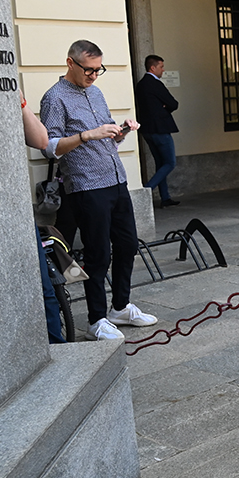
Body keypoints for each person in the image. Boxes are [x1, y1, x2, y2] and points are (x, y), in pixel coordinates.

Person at [40, 40, 157, 341]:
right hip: (85, 186)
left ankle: (120, 306)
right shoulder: (54, 98)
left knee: (129, 244)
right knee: (98, 253)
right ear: (70, 63)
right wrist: (86, 134)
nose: (94, 75)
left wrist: (123, 130)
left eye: (98, 70)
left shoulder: (96, 92)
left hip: (115, 178)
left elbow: (107, 140)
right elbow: (50, 148)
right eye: (89, 70)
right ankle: (96, 319)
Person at [23, 92, 66, 344]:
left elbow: (40, 138)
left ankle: (59, 348)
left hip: (17, 211)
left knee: (46, 290)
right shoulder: (55, 97)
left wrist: (21, 102)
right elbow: (50, 147)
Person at [135, 54, 181, 207]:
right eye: (161, 66)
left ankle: (165, 197)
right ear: (152, 68)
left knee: (160, 163)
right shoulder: (155, 84)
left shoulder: (141, 84)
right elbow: (173, 103)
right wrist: (165, 106)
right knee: (169, 163)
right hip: (160, 129)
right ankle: (146, 192)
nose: (163, 70)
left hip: (147, 130)